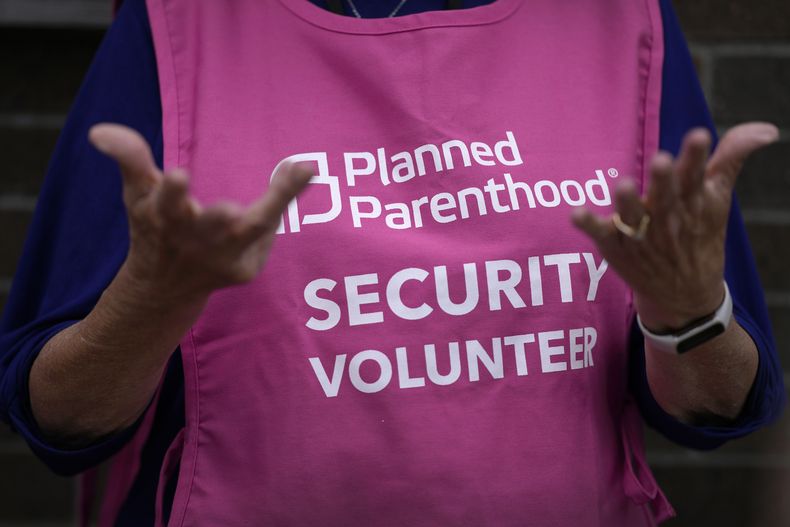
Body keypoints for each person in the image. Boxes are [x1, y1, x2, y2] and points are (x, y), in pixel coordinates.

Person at [0, 0, 785, 525]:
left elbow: (714, 408)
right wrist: (151, 302)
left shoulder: (617, 21)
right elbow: (59, 418)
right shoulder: (181, 23)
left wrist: (687, 314)